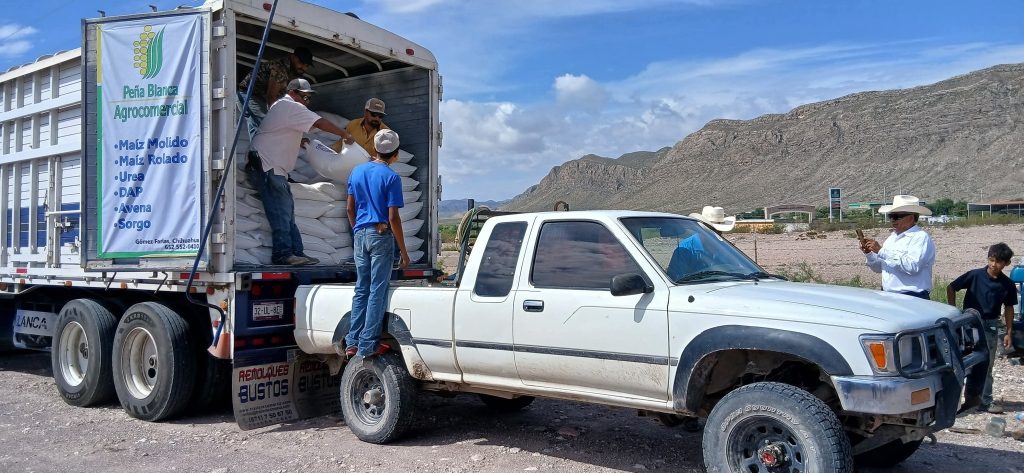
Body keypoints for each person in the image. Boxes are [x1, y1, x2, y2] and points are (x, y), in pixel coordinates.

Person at [247, 78, 354, 266]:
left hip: (273, 166)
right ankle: (283, 254)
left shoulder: (283, 107)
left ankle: (296, 252)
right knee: (281, 211)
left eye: (309, 98)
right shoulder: (290, 106)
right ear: (293, 93)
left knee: (288, 211)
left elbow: (283, 131)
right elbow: (319, 123)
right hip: (268, 164)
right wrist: (344, 134)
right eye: (304, 96)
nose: (307, 101)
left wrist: (300, 141)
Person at [344, 129, 410, 358]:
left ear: (374, 148)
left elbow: (349, 208)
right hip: (380, 235)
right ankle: (368, 343)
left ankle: (352, 341)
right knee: (377, 291)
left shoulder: (357, 171)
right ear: (396, 153)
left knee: (361, 288)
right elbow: (393, 218)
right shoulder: (392, 177)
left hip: (360, 235)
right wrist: (404, 253)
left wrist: (357, 230)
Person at [948, 243, 1017, 414]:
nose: (994, 265)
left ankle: (985, 401)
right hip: (969, 323)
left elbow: (1009, 308)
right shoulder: (974, 275)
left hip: (990, 326)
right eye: (991, 260)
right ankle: (955, 401)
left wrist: (1008, 333)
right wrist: (954, 312)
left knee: (986, 365)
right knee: (962, 362)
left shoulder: (1007, 284)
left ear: (1007, 263)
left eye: (999, 262)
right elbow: (951, 287)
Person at [859, 195, 936, 299]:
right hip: (888, 295)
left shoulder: (920, 237)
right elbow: (879, 268)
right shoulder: (892, 238)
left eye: (896, 216)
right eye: (890, 216)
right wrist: (869, 254)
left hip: (912, 296)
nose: (893, 220)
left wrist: (881, 251)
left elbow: (913, 267)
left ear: (911, 218)